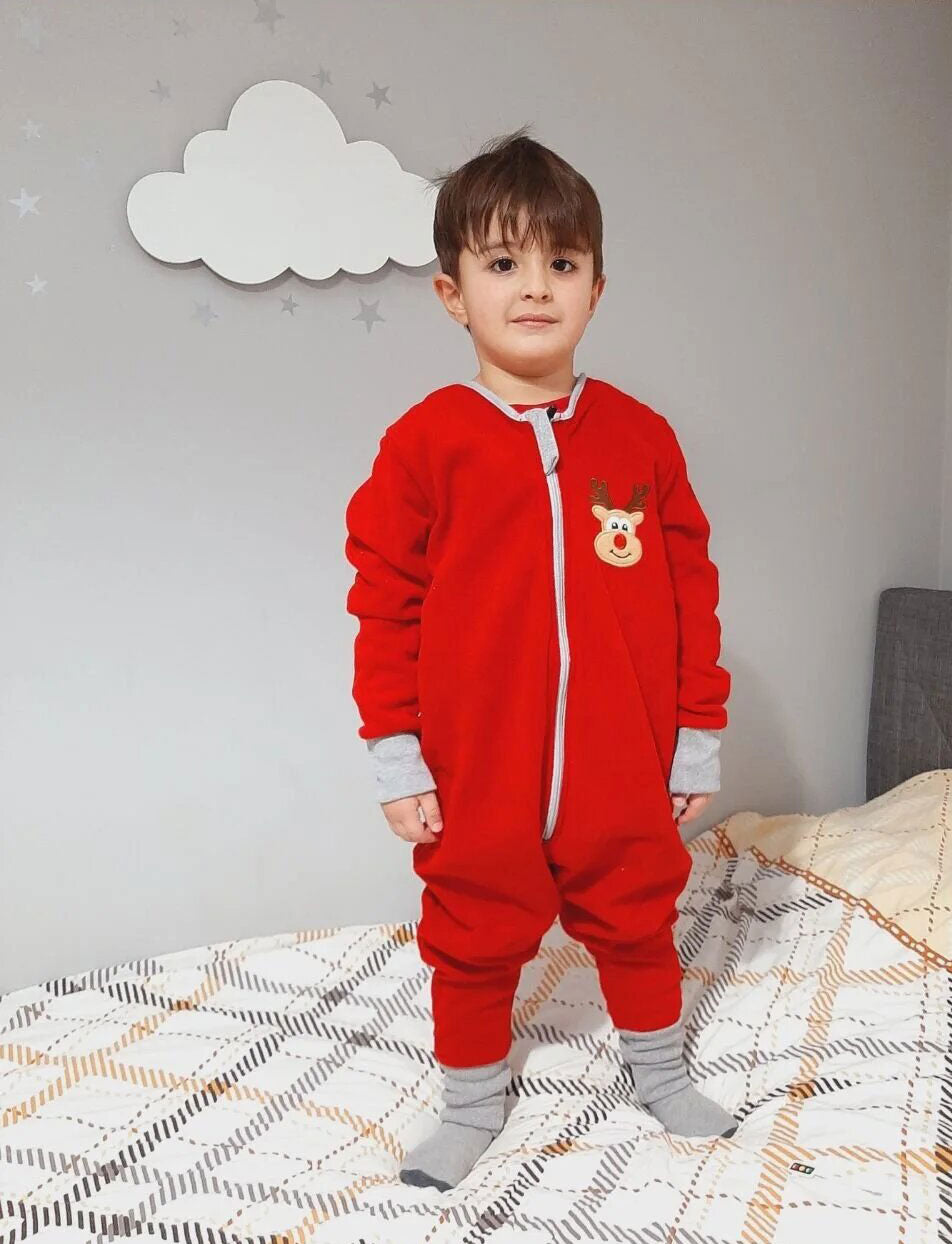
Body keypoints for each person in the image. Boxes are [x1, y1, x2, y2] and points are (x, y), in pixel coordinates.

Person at [344, 125, 736, 1193]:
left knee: (638, 909)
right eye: (503, 262)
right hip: (479, 761)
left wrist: (695, 735)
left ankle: (660, 1074)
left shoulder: (640, 438)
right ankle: (471, 1105)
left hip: (621, 756)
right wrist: (397, 754)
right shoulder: (426, 443)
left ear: (595, 289)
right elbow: (384, 605)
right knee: (472, 926)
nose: (533, 287)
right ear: (452, 294)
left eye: (561, 263)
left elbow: (690, 591)